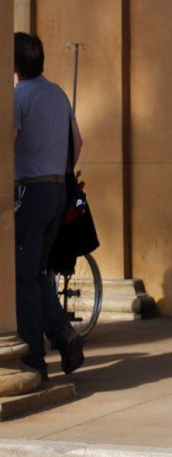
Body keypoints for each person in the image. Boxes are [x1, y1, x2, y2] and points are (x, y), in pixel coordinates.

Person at [14, 32, 85, 380]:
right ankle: (62, 333)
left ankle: (33, 361)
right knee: (38, 273)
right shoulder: (57, 94)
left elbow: (6, 142)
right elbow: (78, 141)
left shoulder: (16, 97)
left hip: (28, 193)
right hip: (58, 191)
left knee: (23, 279)